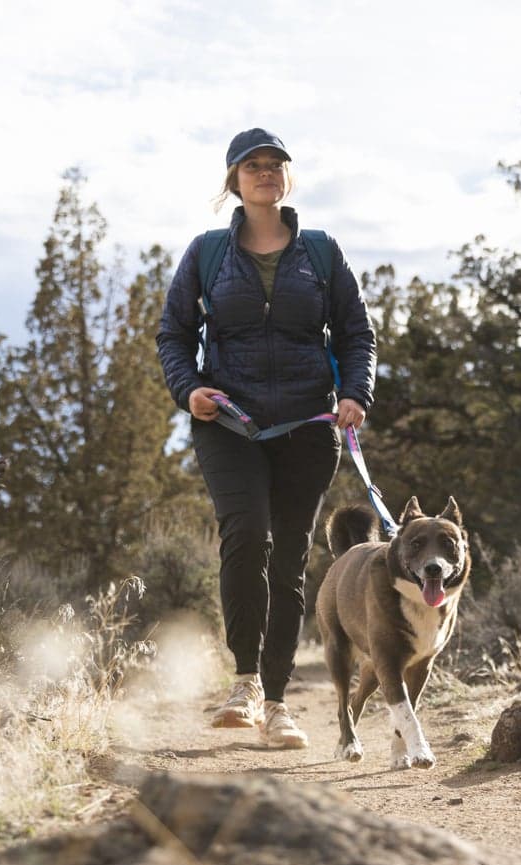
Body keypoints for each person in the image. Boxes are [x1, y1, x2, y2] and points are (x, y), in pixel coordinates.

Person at [157, 127, 376, 749]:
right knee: (247, 534)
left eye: (275, 164)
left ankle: (278, 705)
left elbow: (357, 333)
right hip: (229, 424)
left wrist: (355, 394)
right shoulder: (206, 253)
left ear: (287, 177)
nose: (265, 172)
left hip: (308, 425)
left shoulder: (321, 252)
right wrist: (188, 390)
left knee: (288, 555)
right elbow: (173, 335)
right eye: (252, 165)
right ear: (234, 180)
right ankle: (246, 684)